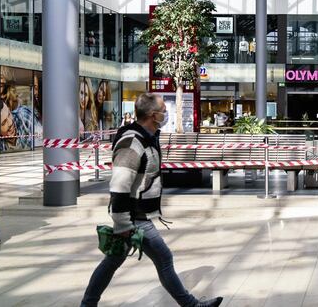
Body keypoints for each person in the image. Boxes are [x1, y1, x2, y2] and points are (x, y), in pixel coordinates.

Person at [81, 93, 222, 307]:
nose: (166, 115)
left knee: (113, 261)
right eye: (163, 111)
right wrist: (122, 223)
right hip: (134, 217)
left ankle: (88, 304)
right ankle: (191, 305)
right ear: (152, 115)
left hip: (135, 215)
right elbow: (119, 185)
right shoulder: (132, 142)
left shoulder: (147, 138)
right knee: (163, 259)